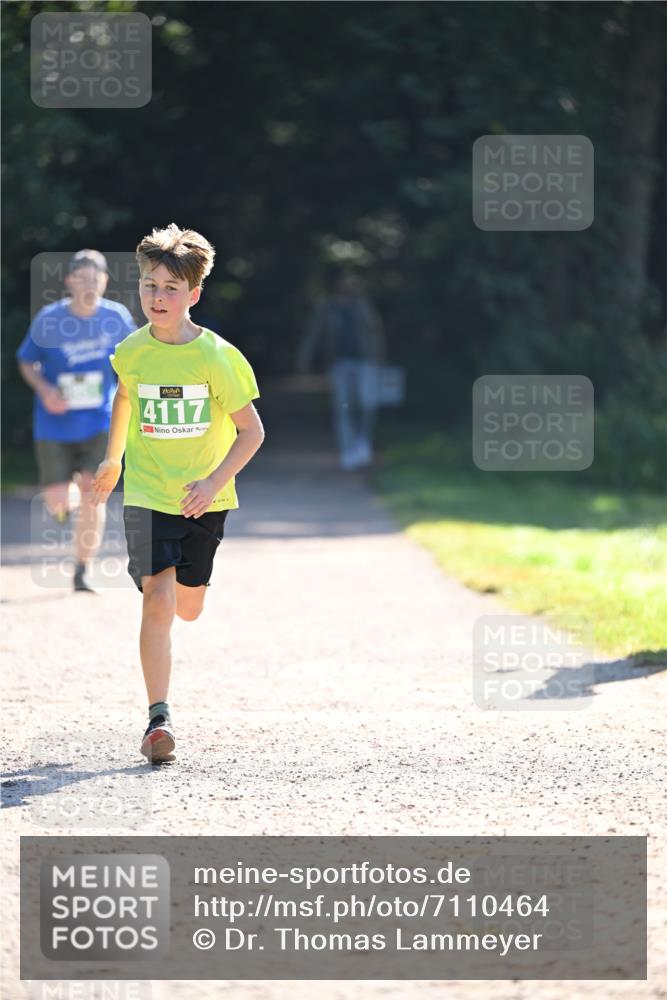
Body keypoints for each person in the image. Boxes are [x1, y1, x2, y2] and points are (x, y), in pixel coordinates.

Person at [91, 224, 264, 763]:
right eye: (149, 285)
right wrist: (113, 458)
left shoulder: (216, 357)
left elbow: (252, 431)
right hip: (146, 492)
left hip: (204, 500)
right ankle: (158, 719)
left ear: (193, 294)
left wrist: (213, 482)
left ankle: (190, 594)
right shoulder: (132, 351)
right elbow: (124, 399)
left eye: (170, 288)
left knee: (188, 606)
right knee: (157, 598)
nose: (157, 297)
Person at [16, 249, 136, 592]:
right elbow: (27, 361)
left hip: (101, 421)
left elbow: (133, 362)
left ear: (105, 281)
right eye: (81, 277)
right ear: (69, 281)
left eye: (95, 278)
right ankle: (62, 506)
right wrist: (44, 389)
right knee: (58, 500)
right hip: (54, 423)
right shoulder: (49, 319)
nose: (88, 284)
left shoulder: (117, 318)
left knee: (91, 495)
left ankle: (82, 570)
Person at [297, 269, 387, 470]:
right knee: (343, 407)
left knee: (367, 403)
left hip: (365, 361)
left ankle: (363, 442)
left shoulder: (362, 304)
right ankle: (348, 451)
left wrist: (380, 357)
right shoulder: (326, 307)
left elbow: (375, 331)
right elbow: (314, 334)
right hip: (339, 363)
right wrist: (305, 359)